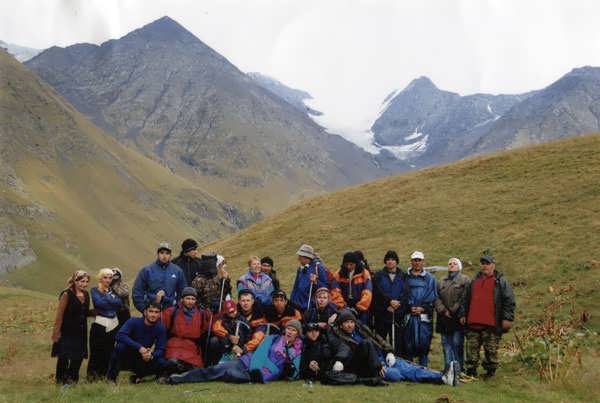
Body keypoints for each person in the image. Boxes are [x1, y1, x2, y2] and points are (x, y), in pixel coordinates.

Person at [169, 320, 303, 384]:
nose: (290, 332)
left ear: (297, 334)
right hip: (248, 364)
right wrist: (255, 369)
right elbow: (259, 354)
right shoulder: (272, 338)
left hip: (262, 376)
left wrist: (290, 372)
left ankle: (232, 376)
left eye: (293, 330)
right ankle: (182, 378)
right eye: (288, 329)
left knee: (227, 374)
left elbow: (294, 372)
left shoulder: (297, 350)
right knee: (216, 369)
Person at [459, 255, 515, 379]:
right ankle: (471, 371)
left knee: (491, 350)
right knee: (471, 350)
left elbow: (509, 301)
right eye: (483, 263)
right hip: (473, 322)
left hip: (491, 324)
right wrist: (463, 314)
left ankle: (490, 373)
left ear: (493, 265)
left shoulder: (501, 282)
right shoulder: (473, 281)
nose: (485, 266)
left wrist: (507, 318)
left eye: (487, 263)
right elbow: (465, 300)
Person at [107, 302, 168, 383]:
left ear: (160, 314)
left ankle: (141, 376)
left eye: (156, 312)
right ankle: (112, 377)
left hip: (143, 357)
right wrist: (139, 347)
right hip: (129, 353)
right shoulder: (134, 321)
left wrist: (151, 355)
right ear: (145, 312)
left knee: (162, 361)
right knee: (120, 347)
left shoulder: (160, 328)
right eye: (151, 311)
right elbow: (120, 335)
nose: (153, 315)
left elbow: (161, 348)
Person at [328, 309, 392, 383]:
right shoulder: (340, 336)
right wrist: (378, 366)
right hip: (371, 363)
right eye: (346, 322)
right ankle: (377, 375)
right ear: (341, 326)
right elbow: (341, 347)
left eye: (352, 322)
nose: (350, 325)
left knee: (407, 369)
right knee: (395, 374)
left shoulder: (361, 330)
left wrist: (389, 351)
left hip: (383, 356)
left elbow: (377, 338)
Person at [51, 270, 91, 385]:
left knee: (78, 357)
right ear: (75, 281)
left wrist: (96, 312)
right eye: (82, 281)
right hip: (67, 331)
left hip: (81, 331)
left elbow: (84, 312)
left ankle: (72, 381)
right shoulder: (66, 294)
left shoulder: (86, 294)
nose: (84, 284)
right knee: (64, 357)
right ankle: (60, 382)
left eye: (86, 281)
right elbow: (60, 315)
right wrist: (56, 333)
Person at [161, 287, 212, 373]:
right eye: (188, 298)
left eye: (193, 299)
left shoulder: (201, 313)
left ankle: (181, 369)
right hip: (175, 344)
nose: (190, 301)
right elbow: (162, 326)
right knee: (172, 361)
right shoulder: (172, 311)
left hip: (191, 346)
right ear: (182, 299)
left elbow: (205, 329)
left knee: (197, 368)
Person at [208, 289, 267, 365]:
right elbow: (217, 326)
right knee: (214, 341)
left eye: (248, 300)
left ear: (253, 301)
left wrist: (243, 349)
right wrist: (228, 336)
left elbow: (258, 338)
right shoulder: (231, 309)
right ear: (239, 301)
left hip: (249, 346)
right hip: (231, 344)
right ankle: (214, 364)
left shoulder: (259, 314)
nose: (245, 303)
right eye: (243, 301)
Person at [434, 257, 469, 373]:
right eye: (450, 263)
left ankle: (459, 368)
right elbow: (436, 297)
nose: (452, 265)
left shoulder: (465, 280)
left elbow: (465, 298)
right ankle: (448, 367)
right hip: (444, 317)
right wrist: (443, 310)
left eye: (454, 264)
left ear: (459, 267)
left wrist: (454, 310)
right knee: (446, 344)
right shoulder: (441, 281)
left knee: (457, 343)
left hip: (457, 317)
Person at [87, 268, 123, 381]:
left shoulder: (112, 291)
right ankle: (92, 377)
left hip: (113, 324)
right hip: (100, 324)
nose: (107, 280)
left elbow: (119, 303)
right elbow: (98, 303)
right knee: (96, 351)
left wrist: (106, 298)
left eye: (110, 277)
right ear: (100, 278)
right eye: (105, 277)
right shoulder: (94, 290)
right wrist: (110, 300)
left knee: (109, 351)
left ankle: (104, 375)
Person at [403, 251, 437, 367]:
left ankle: (424, 367)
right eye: (415, 260)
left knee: (424, 342)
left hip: (424, 317)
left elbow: (432, 296)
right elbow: (402, 295)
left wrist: (423, 308)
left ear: (423, 262)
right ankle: (409, 368)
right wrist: (409, 307)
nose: (417, 262)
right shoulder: (404, 277)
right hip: (408, 316)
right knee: (408, 343)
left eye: (419, 260)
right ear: (411, 262)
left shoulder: (430, 278)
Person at [132, 242, 187, 312]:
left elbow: (183, 291)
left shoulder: (177, 271)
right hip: (151, 311)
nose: (164, 256)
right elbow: (137, 292)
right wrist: (144, 309)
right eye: (162, 253)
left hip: (171, 312)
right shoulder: (147, 270)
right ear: (158, 254)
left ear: (170, 255)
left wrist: (178, 309)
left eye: (167, 253)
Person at [372, 250, 406, 356]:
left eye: (393, 259)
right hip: (382, 314)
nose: (390, 262)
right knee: (380, 341)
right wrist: (388, 303)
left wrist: (397, 304)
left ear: (396, 261)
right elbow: (377, 293)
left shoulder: (403, 275)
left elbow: (405, 293)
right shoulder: (378, 276)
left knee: (397, 343)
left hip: (397, 315)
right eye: (388, 260)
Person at [290, 244, 342, 311]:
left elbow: (325, 287)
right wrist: (292, 301)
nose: (298, 258)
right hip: (298, 305)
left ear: (306, 257)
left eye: (300, 256)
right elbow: (296, 287)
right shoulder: (300, 269)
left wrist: (316, 282)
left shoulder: (319, 268)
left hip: (311, 306)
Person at [207, 298, 252, 365]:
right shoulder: (221, 319)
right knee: (214, 341)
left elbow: (248, 335)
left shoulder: (243, 320)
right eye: (230, 312)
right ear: (225, 312)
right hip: (226, 345)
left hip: (240, 347)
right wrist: (229, 337)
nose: (233, 313)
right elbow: (217, 329)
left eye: (234, 311)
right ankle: (214, 362)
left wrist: (241, 347)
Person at [333, 252, 373, 324]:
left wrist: (359, 307)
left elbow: (368, 292)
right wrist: (343, 307)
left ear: (356, 263)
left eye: (351, 264)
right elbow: (335, 292)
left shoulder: (364, 273)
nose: (348, 267)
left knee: (363, 329)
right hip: (344, 308)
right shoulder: (338, 274)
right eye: (346, 264)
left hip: (361, 310)